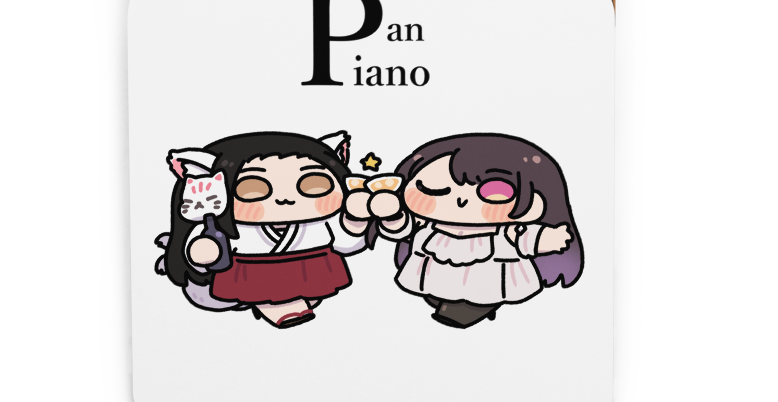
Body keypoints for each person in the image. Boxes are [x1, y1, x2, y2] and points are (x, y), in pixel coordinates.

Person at [349, 133, 583, 328]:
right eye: (434, 189)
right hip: (436, 276)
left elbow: (525, 238)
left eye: (493, 194)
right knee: (437, 290)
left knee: (475, 299)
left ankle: (470, 309)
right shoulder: (429, 225)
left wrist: (549, 238)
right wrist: (391, 215)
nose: (461, 201)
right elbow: (402, 230)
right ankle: (444, 301)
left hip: (490, 279)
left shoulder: (505, 233)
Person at [157, 130, 370, 328]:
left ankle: (294, 302)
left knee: (310, 293)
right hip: (253, 272)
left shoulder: (320, 224)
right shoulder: (237, 229)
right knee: (256, 292)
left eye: (313, 184)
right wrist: (204, 249)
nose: (285, 199)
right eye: (253, 188)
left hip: (312, 268)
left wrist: (356, 221)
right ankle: (280, 307)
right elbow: (209, 249)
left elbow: (346, 242)